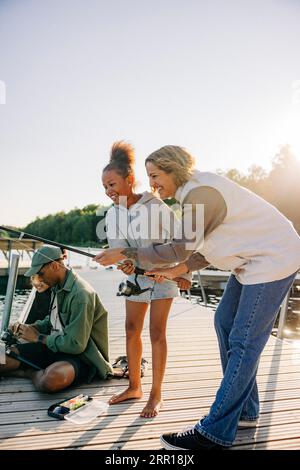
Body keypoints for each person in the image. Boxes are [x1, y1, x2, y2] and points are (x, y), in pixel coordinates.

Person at [95, 145, 300, 449]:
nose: (152, 183)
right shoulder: (191, 195)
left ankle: (215, 432)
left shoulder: (201, 194)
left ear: (173, 169)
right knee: (225, 323)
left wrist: (126, 252)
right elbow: (199, 248)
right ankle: (245, 412)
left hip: (273, 259)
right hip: (252, 260)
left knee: (244, 341)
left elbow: (179, 247)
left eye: (155, 175)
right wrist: (179, 269)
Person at [102, 141, 191, 418]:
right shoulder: (111, 214)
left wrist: (184, 273)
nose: (109, 191)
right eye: (105, 187)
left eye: (113, 184)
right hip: (136, 278)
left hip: (164, 275)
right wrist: (125, 264)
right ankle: (134, 387)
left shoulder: (156, 205)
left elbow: (183, 240)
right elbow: (120, 250)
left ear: (129, 180)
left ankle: (156, 394)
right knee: (131, 328)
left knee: (156, 332)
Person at [0, 245, 113, 392]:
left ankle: (29, 372)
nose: (39, 279)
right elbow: (53, 319)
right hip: (53, 346)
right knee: (1, 357)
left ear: (54, 266)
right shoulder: (56, 285)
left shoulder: (80, 295)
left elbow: (76, 345)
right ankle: (36, 371)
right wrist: (31, 327)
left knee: (50, 380)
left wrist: (38, 337)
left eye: (40, 273)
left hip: (81, 356)